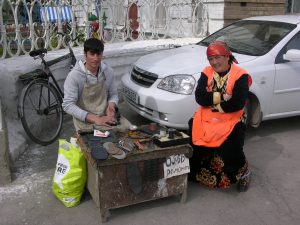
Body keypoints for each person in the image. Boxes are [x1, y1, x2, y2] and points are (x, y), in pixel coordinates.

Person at [189, 40, 252, 192]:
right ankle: (200, 174)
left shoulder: (240, 75)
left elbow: (238, 103)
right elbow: (199, 97)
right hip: (207, 117)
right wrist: (223, 96)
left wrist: (211, 100)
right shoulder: (207, 72)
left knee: (230, 145)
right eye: (211, 59)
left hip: (232, 117)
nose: (214, 62)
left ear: (227, 56)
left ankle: (244, 172)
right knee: (195, 137)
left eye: (218, 58)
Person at [62, 37, 122, 131]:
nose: (96, 58)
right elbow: (68, 105)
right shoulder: (74, 76)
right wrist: (95, 119)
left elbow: (113, 94)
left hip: (105, 117)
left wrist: (111, 106)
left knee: (126, 131)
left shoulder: (108, 71)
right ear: (85, 54)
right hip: (84, 123)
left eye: (98, 54)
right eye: (92, 54)